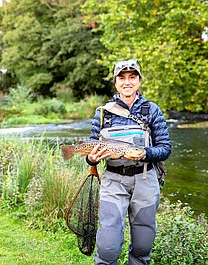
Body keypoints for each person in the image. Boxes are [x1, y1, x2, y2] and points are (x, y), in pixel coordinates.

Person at [86, 59, 171, 265]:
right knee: (108, 246)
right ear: (115, 82)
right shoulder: (103, 113)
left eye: (132, 77)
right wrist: (91, 159)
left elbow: (165, 148)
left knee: (143, 245)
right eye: (122, 78)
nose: (127, 82)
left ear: (139, 80)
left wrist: (144, 153)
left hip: (145, 180)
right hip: (113, 180)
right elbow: (92, 146)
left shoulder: (152, 110)